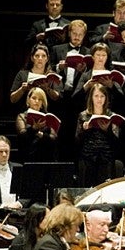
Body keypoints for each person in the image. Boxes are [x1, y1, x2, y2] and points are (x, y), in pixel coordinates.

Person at [51, 19, 91, 163]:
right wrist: (58, 68)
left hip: (79, 99)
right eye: (74, 33)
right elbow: (49, 69)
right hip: (61, 97)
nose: (77, 36)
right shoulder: (57, 49)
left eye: (80, 34)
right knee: (61, 135)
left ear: (84, 35)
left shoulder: (88, 52)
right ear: (69, 33)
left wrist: (82, 71)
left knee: (77, 135)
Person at [75, 84, 121, 188]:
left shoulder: (111, 115)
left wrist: (107, 130)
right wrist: (84, 130)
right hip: (88, 158)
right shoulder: (83, 115)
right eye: (96, 96)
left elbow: (117, 141)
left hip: (106, 158)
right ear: (91, 97)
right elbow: (77, 141)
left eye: (102, 96)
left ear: (106, 98)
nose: (99, 99)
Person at [9, 44, 62, 108]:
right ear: (32, 58)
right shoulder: (22, 74)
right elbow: (12, 99)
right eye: (37, 56)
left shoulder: (52, 76)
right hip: (25, 111)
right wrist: (22, 89)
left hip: (46, 112)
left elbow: (57, 98)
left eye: (43, 56)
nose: (40, 59)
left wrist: (47, 88)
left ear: (47, 59)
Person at [15, 86, 58, 163]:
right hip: (27, 157)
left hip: (46, 158)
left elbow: (53, 138)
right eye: (34, 98)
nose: (37, 101)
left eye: (40, 99)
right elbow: (22, 135)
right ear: (28, 100)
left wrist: (42, 135)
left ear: (42, 103)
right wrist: (34, 128)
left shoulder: (48, 117)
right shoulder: (22, 116)